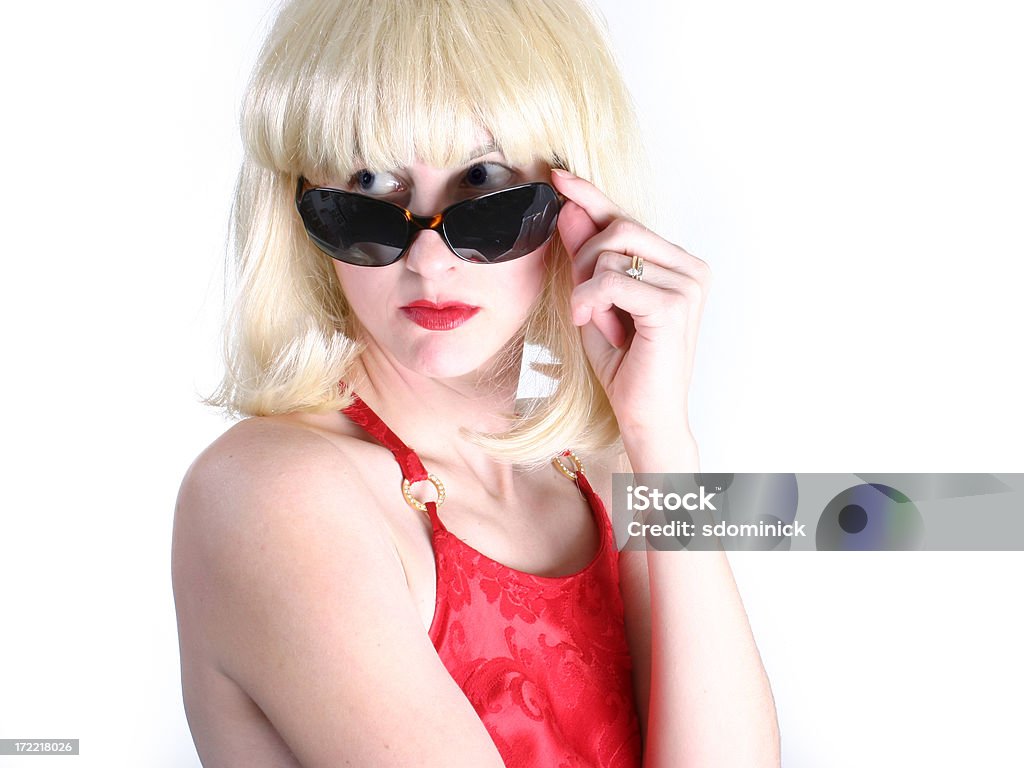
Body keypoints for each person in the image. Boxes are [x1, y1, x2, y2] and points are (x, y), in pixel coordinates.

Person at [172, 0, 781, 766]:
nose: (429, 264)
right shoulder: (275, 493)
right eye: (368, 187)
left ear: (575, 199)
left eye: (486, 186)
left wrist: (660, 437)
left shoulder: (596, 468)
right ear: (301, 209)